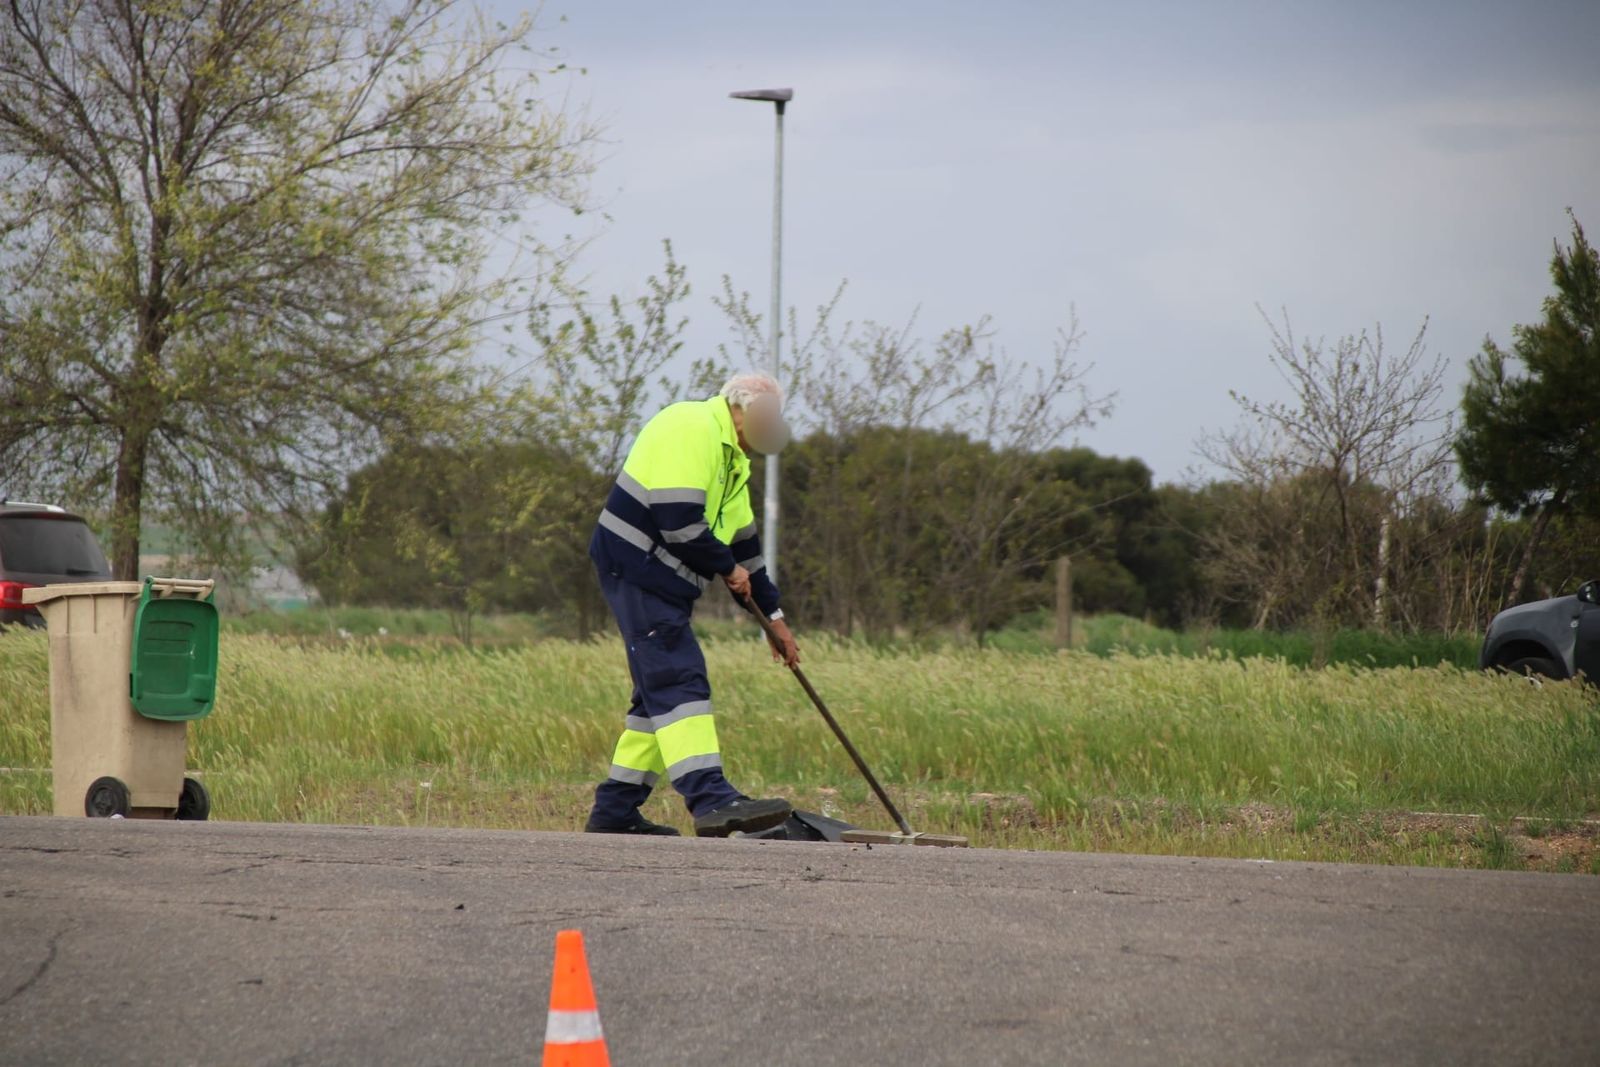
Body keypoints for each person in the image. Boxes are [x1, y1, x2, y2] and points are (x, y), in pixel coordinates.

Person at [584, 372, 801, 837]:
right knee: (678, 679)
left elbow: (747, 551)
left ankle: (615, 812)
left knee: (654, 701)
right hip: (636, 565)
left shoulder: (734, 463)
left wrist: (775, 621)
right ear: (742, 409)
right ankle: (712, 799)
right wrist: (726, 568)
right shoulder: (692, 425)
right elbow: (677, 520)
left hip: (669, 583)